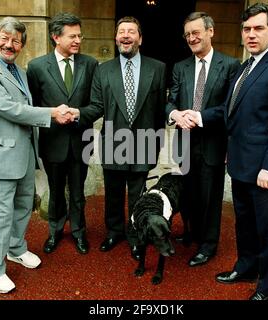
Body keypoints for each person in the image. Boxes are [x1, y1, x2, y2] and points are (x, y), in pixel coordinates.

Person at [186, 3, 268, 300]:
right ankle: (246, 267)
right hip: (240, 164)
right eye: (247, 29)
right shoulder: (246, 66)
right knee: (245, 225)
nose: (251, 35)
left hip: (265, 171)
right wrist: (198, 116)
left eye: (258, 29)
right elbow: (229, 111)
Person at [0, 17, 69, 294]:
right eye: (5, 37)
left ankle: (15, 248)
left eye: (16, 41)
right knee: (0, 213)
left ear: (22, 45)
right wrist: (52, 113)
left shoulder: (19, 71)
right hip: (1, 156)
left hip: (24, 152)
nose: (9, 44)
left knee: (24, 204)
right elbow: (10, 109)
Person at [65, 16, 166, 261]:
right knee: (112, 193)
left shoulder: (158, 68)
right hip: (113, 142)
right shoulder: (103, 69)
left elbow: (159, 111)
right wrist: (77, 113)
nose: (126, 35)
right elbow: (97, 106)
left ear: (140, 38)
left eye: (131, 31)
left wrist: (156, 146)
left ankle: (135, 235)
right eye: (121, 31)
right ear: (116, 37)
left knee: (137, 195)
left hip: (144, 141)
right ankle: (114, 232)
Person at [166, 12, 240, 267]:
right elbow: (170, 101)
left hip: (212, 143)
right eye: (187, 34)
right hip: (184, 143)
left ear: (211, 31)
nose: (191, 38)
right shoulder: (180, 67)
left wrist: (197, 117)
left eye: (196, 32)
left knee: (209, 198)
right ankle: (191, 233)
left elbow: (229, 107)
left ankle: (208, 245)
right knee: (187, 195)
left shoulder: (230, 65)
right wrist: (176, 114)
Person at [27, 13, 98, 255]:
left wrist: (78, 113)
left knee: (78, 192)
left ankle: (79, 232)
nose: (78, 40)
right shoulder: (36, 67)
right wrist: (52, 114)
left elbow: (97, 105)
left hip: (81, 141)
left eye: (80, 35)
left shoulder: (90, 64)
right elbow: (32, 107)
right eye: (73, 36)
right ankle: (55, 232)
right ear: (56, 37)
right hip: (53, 143)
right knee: (56, 191)